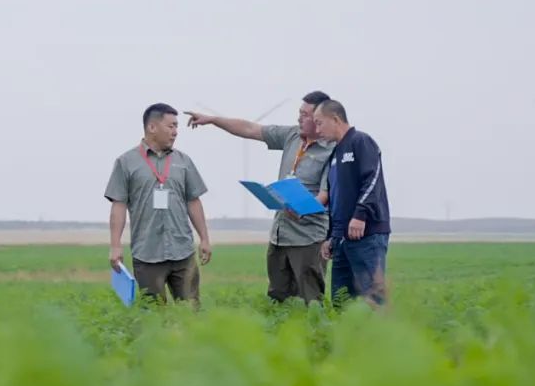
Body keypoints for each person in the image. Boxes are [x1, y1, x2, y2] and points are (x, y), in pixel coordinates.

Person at [185, 91, 334, 304]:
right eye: (299, 113)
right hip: (280, 234)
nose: (299, 118)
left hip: (308, 237)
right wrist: (213, 120)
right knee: (277, 298)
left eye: (305, 115)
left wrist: (303, 210)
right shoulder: (292, 136)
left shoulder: (331, 151)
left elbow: (325, 195)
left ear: (321, 118)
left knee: (310, 300)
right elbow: (251, 129)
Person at [104, 103, 212, 304]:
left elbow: (193, 201)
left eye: (176, 127)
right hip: (147, 254)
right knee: (153, 316)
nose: (176, 132)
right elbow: (118, 206)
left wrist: (204, 238)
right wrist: (115, 246)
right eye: (171, 126)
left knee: (191, 312)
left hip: (183, 252)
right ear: (152, 127)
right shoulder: (126, 162)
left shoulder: (183, 161)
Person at [312, 99, 391, 307]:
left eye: (319, 123)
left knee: (372, 300)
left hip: (366, 236)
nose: (316, 129)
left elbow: (372, 179)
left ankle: (380, 338)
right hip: (341, 240)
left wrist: (360, 215)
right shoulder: (335, 154)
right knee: (342, 303)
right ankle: (345, 339)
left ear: (335, 119)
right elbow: (336, 199)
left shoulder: (361, 141)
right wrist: (331, 236)